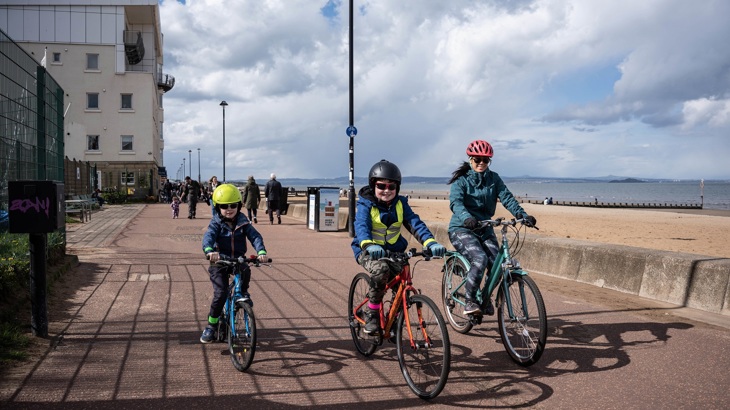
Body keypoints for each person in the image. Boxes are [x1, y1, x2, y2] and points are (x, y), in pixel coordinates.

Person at [350, 159, 446, 334]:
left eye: (391, 187)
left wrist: (430, 242)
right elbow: (361, 225)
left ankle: (394, 321)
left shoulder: (401, 204)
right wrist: (368, 244)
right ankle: (372, 313)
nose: (386, 190)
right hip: (367, 251)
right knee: (381, 270)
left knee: (402, 286)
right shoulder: (366, 204)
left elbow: (415, 224)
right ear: (373, 186)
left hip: (394, 251)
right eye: (381, 186)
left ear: (397, 188)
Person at [447, 140, 537, 316]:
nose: (481, 163)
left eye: (485, 160)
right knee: (479, 259)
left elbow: (507, 198)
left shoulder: (494, 179)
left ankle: (485, 298)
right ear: (471, 159)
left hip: (485, 227)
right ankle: (470, 301)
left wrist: (522, 215)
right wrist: (467, 218)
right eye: (478, 159)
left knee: (498, 263)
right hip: (462, 228)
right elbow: (456, 203)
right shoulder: (461, 181)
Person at [200, 184, 269, 343]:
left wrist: (261, 252)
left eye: (233, 205)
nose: (229, 209)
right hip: (219, 261)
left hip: (238, 259)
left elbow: (255, 237)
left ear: (239, 206)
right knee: (221, 292)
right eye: (224, 206)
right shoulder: (216, 223)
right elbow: (208, 237)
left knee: (245, 269)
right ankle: (212, 325)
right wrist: (210, 250)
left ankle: (243, 293)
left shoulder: (244, 222)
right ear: (218, 207)